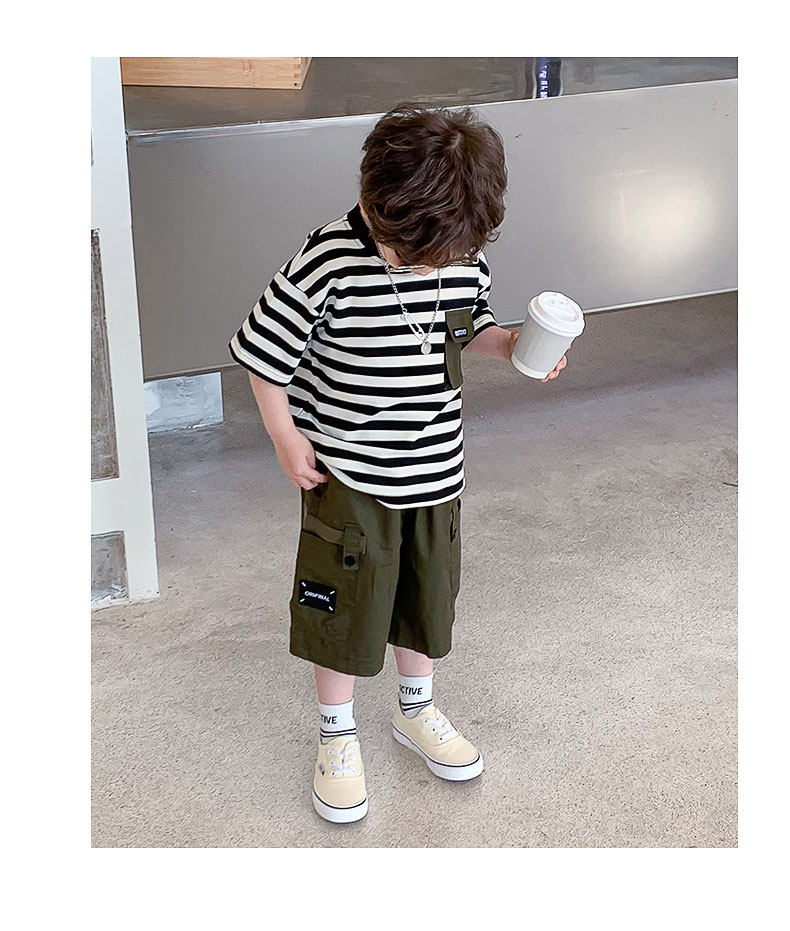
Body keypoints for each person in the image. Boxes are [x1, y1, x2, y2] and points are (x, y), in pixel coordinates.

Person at [228, 103, 567, 824]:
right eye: (408, 250)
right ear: (375, 201)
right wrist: (286, 437)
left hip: (436, 467)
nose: (426, 265)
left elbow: (468, 325)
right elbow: (262, 352)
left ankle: (415, 709)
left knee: (426, 594)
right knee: (343, 605)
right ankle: (336, 732)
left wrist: (511, 344)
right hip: (348, 472)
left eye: (442, 254)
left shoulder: (457, 250)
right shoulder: (327, 258)